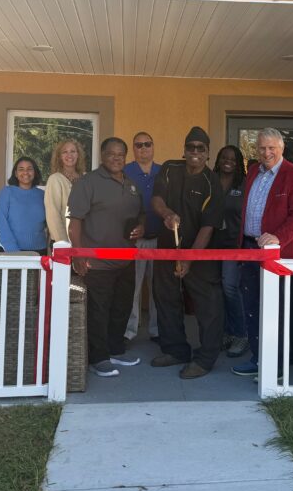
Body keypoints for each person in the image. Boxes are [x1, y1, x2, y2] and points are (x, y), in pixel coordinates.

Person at [150, 127, 225, 379]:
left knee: (207, 304)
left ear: (207, 153)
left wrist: (190, 259)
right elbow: (157, 199)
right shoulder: (170, 168)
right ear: (184, 150)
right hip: (166, 247)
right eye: (190, 147)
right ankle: (175, 350)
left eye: (200, 148)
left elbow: (209, 225)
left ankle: (205, 359)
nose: (194, 152)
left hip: (200, 252)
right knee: (165, 297)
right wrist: (166, 214)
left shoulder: (211, 181)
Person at [231, 128, 293, 377]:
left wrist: (278, 237)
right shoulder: (253, 171)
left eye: (272, 148)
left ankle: (277, 367)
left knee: (279, 311)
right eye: (262, 148)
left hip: (279, 253)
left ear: (282, 148)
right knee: (251, 306)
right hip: (250, 249)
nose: (267, 153)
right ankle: (257, 359)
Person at [67, 137, 145, 378]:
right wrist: (78, 254)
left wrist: (141, 227)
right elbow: (74, 221)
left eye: (121, 154)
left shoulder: (131, 185)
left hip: (126, 259)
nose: (117, 158)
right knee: (98, 311)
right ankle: (99, 358)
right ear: (102, 156)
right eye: (111, 154)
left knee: (121, 307)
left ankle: (115, 350)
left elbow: (140, 215)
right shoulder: (87, 183)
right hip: (96, 261)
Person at [123, 131, 162, 342]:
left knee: (157, 289)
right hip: (134, 240)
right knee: (133, 289)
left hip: (159, 239)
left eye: (147, 144)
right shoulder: (125, 171)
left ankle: (156, 330)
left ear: (153, 146)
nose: (143, 148)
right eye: (138, 145)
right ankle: (129, 331)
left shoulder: (163, 171)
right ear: (133, 148)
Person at [213, 145, 249, 359]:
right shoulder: (210, 180)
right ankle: (225, 332)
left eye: (233, 159)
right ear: (218, 160)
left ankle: (241, 334)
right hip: (210, 244)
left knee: (230, 288)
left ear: (238, 163)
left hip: (233, 245)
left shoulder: (244, 185)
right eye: (224, 157)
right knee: (216, 290)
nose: (228, 161)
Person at [0, 157, 47, 253]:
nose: (25, 172)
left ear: (35, 172)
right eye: (21, 169)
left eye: (29, 169)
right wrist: (13, 251)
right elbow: (0, 223)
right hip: (9, 251)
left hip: (39, 252)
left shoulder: (42, 195)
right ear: (16, 174)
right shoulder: (6, 192)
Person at [44, 139, 86, 245]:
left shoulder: (86, 179)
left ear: (78, 155)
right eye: (65, 152)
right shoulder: (55, 179)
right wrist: (64, 243)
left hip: (84, 242)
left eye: (73, 151)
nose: (69, 155)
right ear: (59, 156)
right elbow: (53, 215)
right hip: (63, 242)